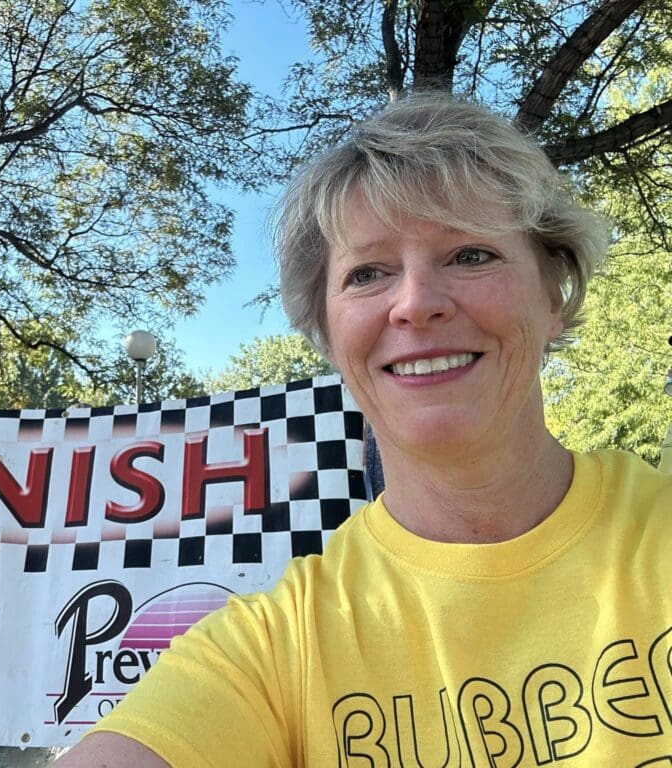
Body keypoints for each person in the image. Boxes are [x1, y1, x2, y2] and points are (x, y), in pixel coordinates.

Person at [54, 95, 672, 765]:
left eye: (469, 254)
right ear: (327, 332)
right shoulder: (275, 650)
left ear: (553, 296)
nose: (414, 303)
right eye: (368, 273)